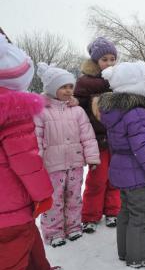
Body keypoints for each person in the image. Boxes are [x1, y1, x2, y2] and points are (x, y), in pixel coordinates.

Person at [0, 34, 64, 270]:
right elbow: (26, 161)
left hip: (12, 210)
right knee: (10, 260)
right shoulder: (13, 108)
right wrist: (43, 195)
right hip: (9, 208)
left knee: (30, 240)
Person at [97, 61, 145, 268]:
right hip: (138, 174)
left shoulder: (115, 112)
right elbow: (143, 149)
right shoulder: (138, 114)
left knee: (126, 212)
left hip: (122, 170)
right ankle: (140, 256)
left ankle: (125, 251)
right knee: (140, 215)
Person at [35, 63, 100, 247]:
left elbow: (87, 136)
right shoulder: (41, 111)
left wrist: (92, 157)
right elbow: (36, 138)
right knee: (54, 201)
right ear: (51, 88)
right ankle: (53, 232)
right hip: (52, 165)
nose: (68, 90)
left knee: (74, 197)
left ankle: (73, 227)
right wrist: (37, 162)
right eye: (63, 87)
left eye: (71, 86)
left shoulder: (77, 111)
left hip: (75, 162)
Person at [74, 37, 121, 233]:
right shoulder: (85, 82)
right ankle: (90, 215)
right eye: (104, 59)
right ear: (95, 61)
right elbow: (79, 106)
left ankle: (112, 211)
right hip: (96, 139)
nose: (109, 63)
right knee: (96, 179)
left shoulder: (119, 80)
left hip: (116, 139)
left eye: (112, 59)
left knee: (115, 178)